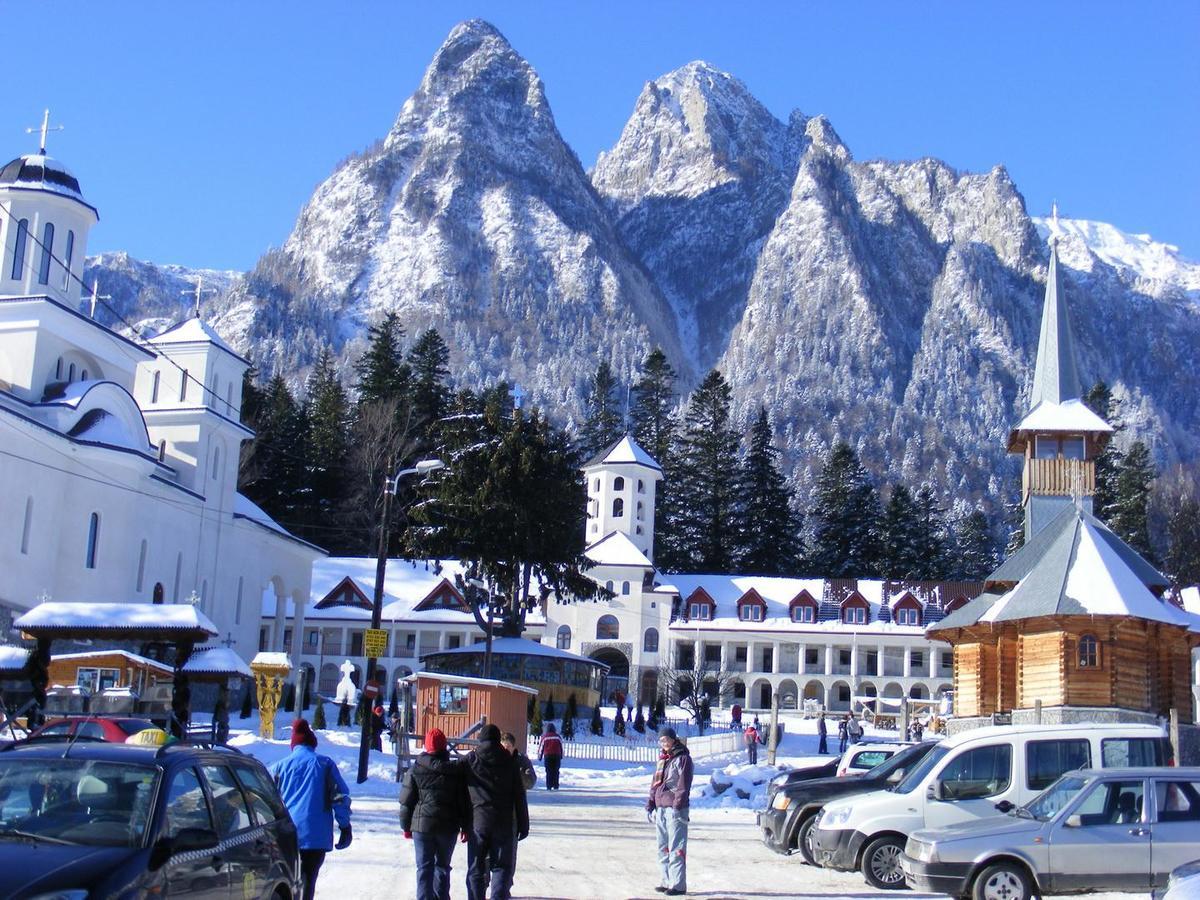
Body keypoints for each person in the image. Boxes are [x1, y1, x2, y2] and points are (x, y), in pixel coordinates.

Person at [270, 718, 352, 900]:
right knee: (308, 881)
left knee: (286, 883)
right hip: (315, 837)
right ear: (312, 744)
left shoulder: (278, 768)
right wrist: (345, 827)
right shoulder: (325, 764)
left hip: (286, 836)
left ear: (294, 744)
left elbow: (264, 799)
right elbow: (339, 798)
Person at [399, 727, 469, 900]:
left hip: (422, 826)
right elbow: (464, 802)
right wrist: (465, 826)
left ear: (426, 747)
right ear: (444, 747)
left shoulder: (415, 770)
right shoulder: (455, 771)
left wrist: (406, 826)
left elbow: (406, 802)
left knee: (424, 868)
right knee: (443, 867)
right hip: (448, 826)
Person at [464, 723, 529, 900]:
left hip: (479, 821)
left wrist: (462, 822)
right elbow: (519, 795)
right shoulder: (509, 761)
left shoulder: (471, 760)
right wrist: (523, 824)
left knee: (476, 867)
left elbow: (459, 788)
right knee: (501, 867)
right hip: (504, 822)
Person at [646, 726, 693, 896]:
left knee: (676, 847)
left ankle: (678, 885)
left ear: (673, 739)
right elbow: (655, 784)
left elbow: (683, 785)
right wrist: (650, 804)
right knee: (663, 847)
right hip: (661, 808)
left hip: (676, 809)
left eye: (666, 739)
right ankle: (666, 881)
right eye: (661, 740)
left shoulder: (683, 759)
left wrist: (677, 806)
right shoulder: (663, 760)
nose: (664, 743)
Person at [538, 723, 563, 790]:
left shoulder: (545, 737)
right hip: (557, 756)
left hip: (548, 756)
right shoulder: (558, 737)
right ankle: (555, 785)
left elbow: (541, 747)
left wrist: (539, 756)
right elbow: (561, 747)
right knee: (556, 771)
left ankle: (549, 786)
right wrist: (561, 756)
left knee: (548, 771)